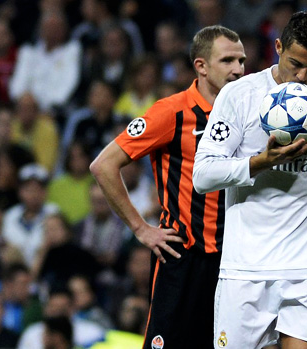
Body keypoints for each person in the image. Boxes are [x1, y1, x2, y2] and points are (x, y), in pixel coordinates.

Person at [193, 11, 307, 348]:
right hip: (245, 269)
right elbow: (204, 175)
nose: (302, 76)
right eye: (295, 63)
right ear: (278, 47)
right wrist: (259, 163)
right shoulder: (239, 96)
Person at [89, 25, 245, 349]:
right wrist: (140, 228)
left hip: (234, 260)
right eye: (227, 60)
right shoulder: (171, 112)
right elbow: (103, 165)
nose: (238, 69)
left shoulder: (248, 114)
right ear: (201, 66)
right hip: (182, 256)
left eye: (241, 61)